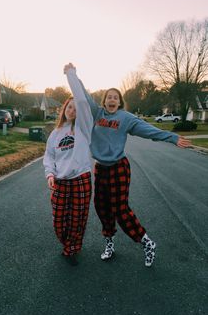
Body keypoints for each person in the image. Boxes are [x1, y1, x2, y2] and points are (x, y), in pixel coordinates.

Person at [65, 63, 191, 267]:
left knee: (120, 210)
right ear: (104, 101)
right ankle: (109, 244)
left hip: (118, 168)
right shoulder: (97, 113)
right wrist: (72, 74)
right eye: (109, 96)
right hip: (101, 168)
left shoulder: (126, 118)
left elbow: (149, 130)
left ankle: (147, 243)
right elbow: (84, 95)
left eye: (116, 97)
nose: (112, 99)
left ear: (120, 102)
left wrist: (172, 137)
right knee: (101, 207)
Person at [43, 66, 93, 266]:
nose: (72, 110)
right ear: (64, 109)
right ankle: (67, 243)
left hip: (81, 178)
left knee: (77, 218)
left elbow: (81, 100)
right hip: (61, 181)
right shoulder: (56, 133)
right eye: (69, 107)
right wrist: (50, 174)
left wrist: (71, 75)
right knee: (59, 220)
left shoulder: (83, 127)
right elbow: (49, 156)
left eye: (75, 108)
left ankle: (71, 248)